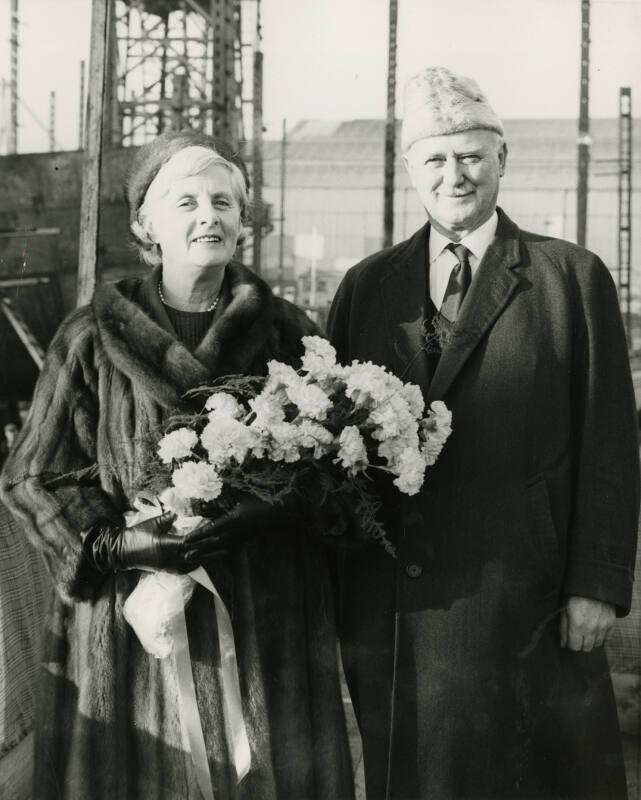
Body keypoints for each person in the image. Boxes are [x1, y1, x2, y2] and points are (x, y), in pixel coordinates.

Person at [1, 128, 354, 800]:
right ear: (145, 224)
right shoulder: (90, 337)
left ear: (242, 220)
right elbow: (32, 474)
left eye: (223, 202)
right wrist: (114, 542)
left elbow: (338, 467)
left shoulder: (288, 333)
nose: (207, 217)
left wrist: (272, 506)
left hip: (266, 619)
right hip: (134, 621)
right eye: (185, 201)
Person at [327, 67, 640, 800]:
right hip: (403, 608)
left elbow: (609, 445)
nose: (453, 174)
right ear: (410, 172)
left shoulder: (568, 278)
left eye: (470, 155)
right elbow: (334, 455)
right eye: (433, 159)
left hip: (527, 601)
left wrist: (595, 585)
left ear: (502, 158)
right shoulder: (366, 287)